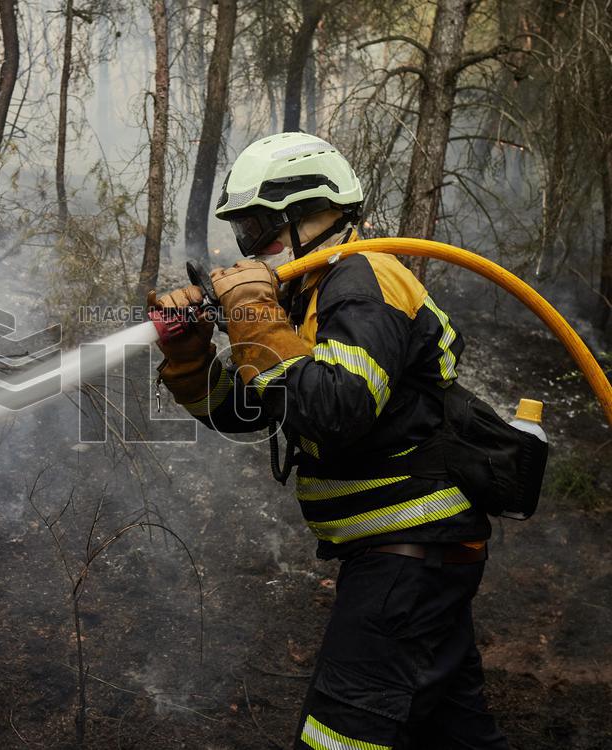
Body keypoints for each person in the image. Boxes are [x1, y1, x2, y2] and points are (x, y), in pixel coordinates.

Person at [149, 133, 508, 749]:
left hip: (409, 554)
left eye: (260, 227)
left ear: (316, 216)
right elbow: (252, 413)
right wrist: (190, 358)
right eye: (244, 233)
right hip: (415, 556)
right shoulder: (315, 298)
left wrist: (258, 319)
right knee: (454, 734)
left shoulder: (364, 278)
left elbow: (336, 409)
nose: (251, 248)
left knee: (337, 738)